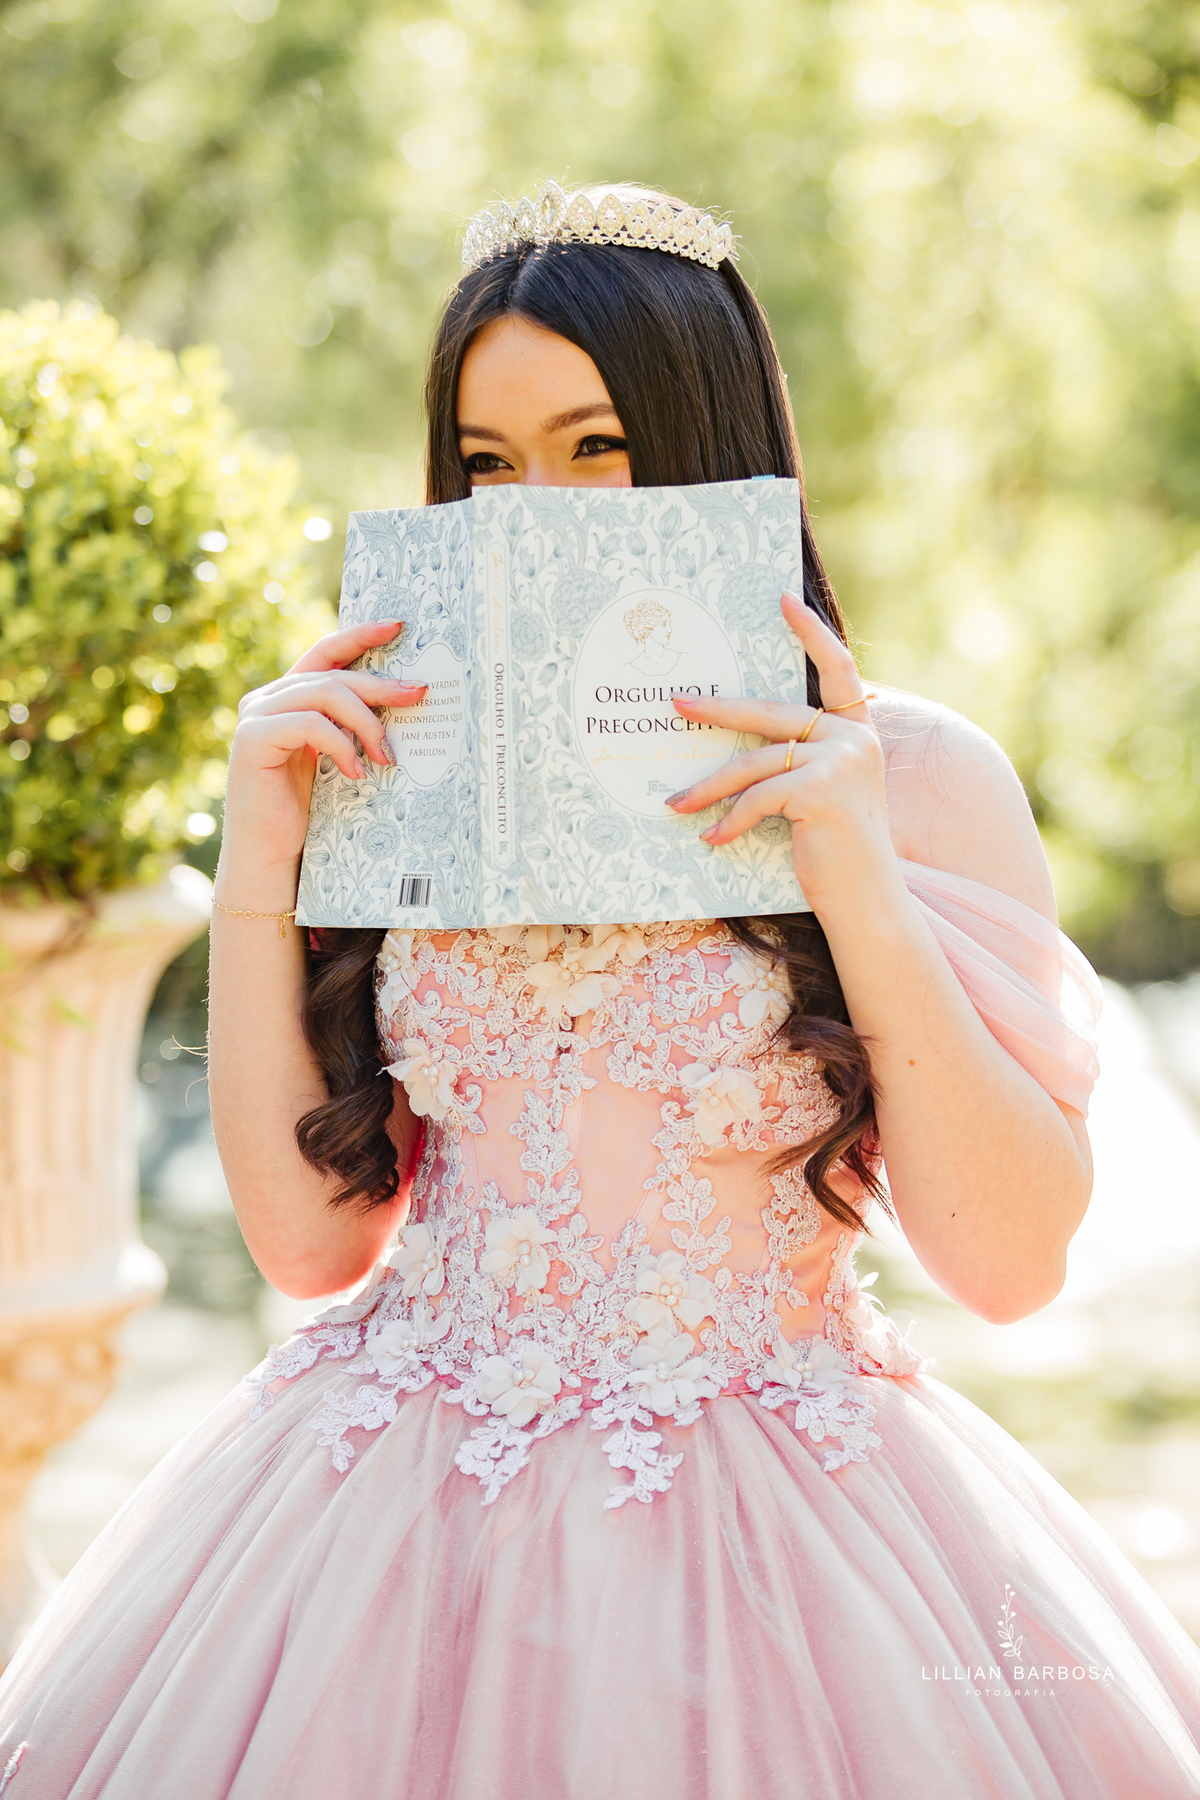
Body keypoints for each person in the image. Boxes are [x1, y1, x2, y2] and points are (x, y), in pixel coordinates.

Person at [1, 181, 1198, 1800]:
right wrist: (266, 843)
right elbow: (310, 1242)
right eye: (487, 466)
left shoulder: (909, 774)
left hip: (786, 1521)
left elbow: (1012, 1265)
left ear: (710, 453)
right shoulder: (396, 760)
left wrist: (846, 865)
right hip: (379, 1512)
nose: (535, 512)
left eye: (598, 447)